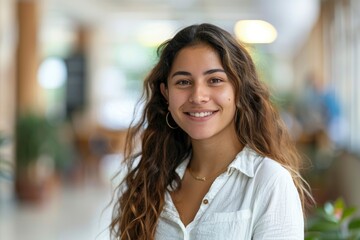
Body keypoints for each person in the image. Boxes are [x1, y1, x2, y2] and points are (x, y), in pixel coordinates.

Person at [110, 23, 312, 240]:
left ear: (239, 89)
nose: (198, 96)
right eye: (183, 82)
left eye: (215, 80)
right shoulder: (149, 179)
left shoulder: (269, 181)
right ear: (166, 93)